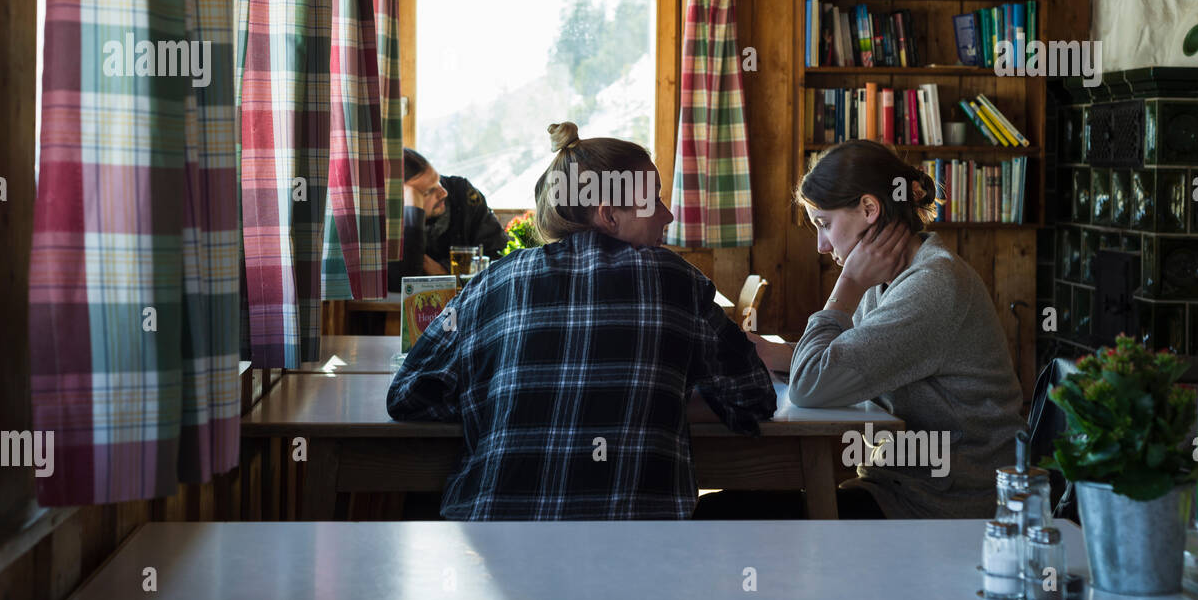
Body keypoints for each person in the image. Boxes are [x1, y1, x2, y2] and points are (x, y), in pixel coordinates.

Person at [387, 122, 776, 519]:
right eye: (654, 201)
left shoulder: (492, 282)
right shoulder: (675, 279)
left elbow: (407, 395)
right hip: (640, 549)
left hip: (498, 549)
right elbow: (754, 396)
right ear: (608, 215)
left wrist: (503, 400)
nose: (669, 214)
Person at [754, 139, 1024, 519]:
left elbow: (809, 386)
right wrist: (773, 353)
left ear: (868, 208)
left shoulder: (931, 285)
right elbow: (856, 354)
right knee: (743, 507)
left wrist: (845, 286)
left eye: (825, 224)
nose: (821, 244)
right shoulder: (895, 274)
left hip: (943, 506)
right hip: (903, 487)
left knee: (728, 513)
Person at [390, 147, 509, 291]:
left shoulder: (462, 193)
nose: (443, 193)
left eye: (438, 181)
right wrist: (413, 215)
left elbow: (499, 254)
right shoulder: (389, 218)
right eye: (428, 192)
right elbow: (400, 281)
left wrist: (443, 270)